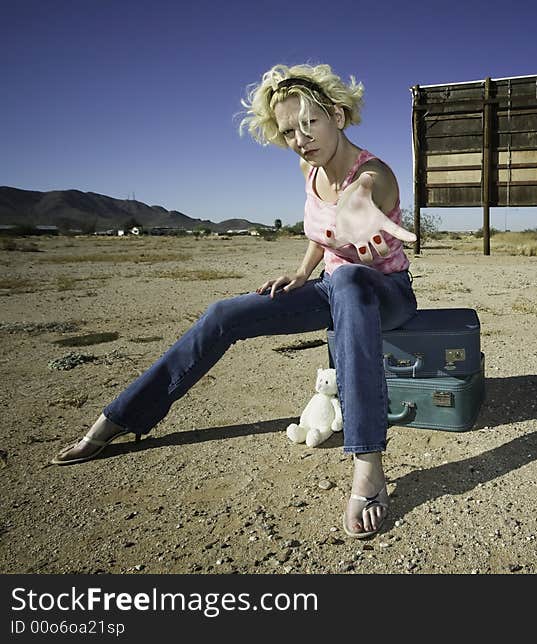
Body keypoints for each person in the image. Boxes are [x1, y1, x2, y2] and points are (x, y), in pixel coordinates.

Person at [51, 63, 418, 539]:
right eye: (289, 132)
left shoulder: (372, 172)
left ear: (338, 117)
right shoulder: (309, 168)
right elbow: (321, 232)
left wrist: (360, 204)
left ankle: (368, 464)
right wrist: (303, 270)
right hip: (332, 290)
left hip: (385, 293)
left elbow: (365, 192)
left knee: (350, 279)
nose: (301, 139)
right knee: (226, 313)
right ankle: (119, 418)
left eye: (310, 124)